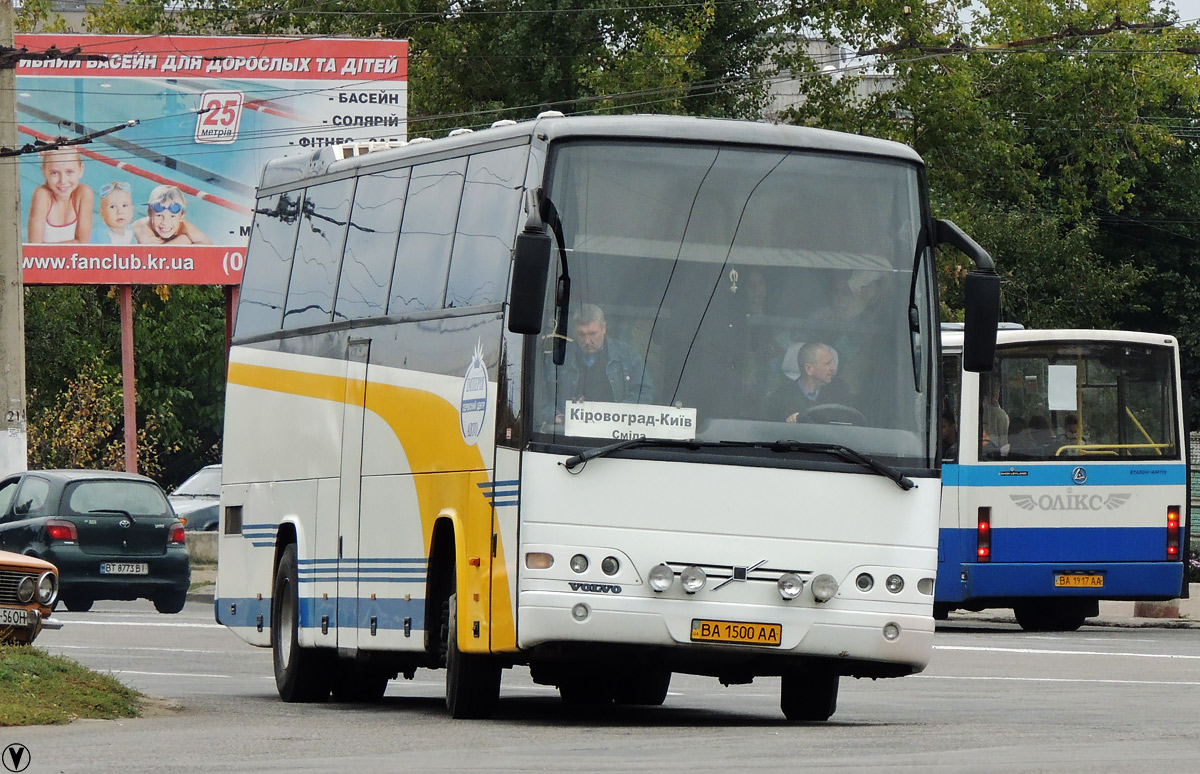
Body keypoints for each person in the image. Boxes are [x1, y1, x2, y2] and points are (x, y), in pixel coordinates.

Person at [552, 304, 654, 421]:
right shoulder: (560, 357)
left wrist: (621, 414)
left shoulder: (627, 355)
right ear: (575, 332)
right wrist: (555, 415)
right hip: (567, 431)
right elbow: (541, 396)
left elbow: (644, 391)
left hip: (614, 430)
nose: (587, 341)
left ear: (604, 328)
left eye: (592, 334)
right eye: (582, 334)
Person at [765, 341, 851, 423]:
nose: (833, 368)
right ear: (809, 369)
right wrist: (788, 423)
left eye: (832, 362)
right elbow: (772, 430)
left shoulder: (840, 391)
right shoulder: (781, 397)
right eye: (827, 363)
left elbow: (849, 425)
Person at [27, 146, 94, 244]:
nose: (63, 181)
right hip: (45, 259)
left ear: (81, 170)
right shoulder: (42, 195)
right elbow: (35, 247)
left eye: (69, 172)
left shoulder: (83, 194)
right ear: (44, 172)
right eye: (54, 173)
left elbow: (83, 243)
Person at [133, 185, 213, 245]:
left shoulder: (186, 227)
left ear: (182, 217)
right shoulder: (142, 227)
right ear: (150, 214)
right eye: (159, 215)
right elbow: (157, 256)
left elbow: (210, 247)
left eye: (172, 216)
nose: (165, 222)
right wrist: (183, 240)